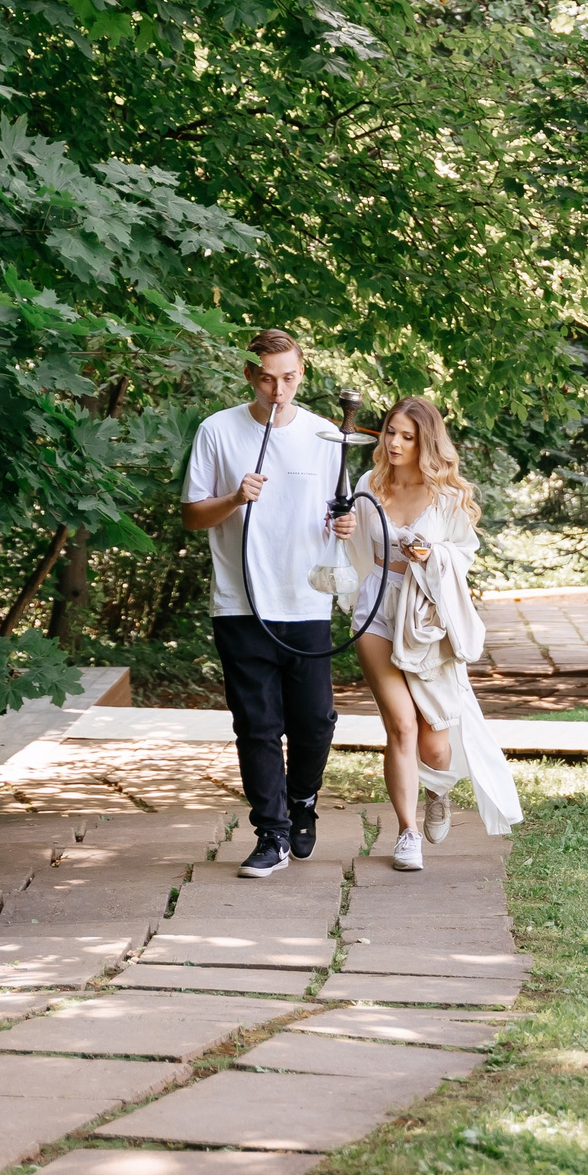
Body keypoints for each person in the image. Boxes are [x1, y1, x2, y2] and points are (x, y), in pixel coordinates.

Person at [333, 395, 522, 870]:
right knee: (400, 725)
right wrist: (337, 527)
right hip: (376, 606)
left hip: (425, 616)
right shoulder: (367, 484)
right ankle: (406, 832)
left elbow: (463, 554)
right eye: (391, 432)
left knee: (435, 738)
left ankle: (438, 791)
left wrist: (431, 554)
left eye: (407, 436)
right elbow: (351, 545)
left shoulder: (447, 497)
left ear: (425, 442)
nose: (394, 442)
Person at [180, 330, 341, 877]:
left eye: (289, 378)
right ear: (250, 375)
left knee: (316, 722)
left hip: (309, 601)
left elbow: (343, 515)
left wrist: (345, 522)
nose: (279, 389)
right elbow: (192, 515)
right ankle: (270, 833)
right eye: (268, 378)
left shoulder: (326, 435)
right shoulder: (217, 430)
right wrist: (234, 497)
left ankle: (303, 802)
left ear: (303, 375)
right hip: (240, 603)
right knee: (256, 724)